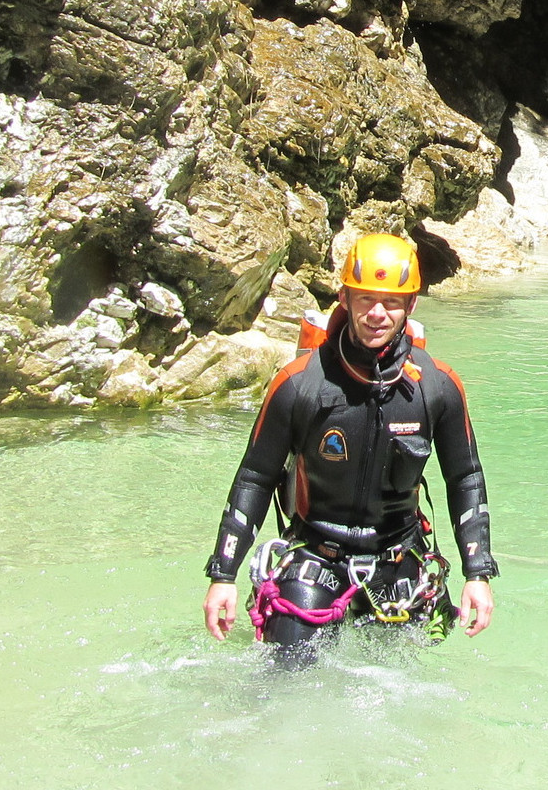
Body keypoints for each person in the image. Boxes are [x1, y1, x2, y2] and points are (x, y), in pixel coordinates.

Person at [203, 233, 498, 654]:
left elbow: (465, 477)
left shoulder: (437, 386)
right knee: (286, 679)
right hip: (315, 554)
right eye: (365, 299)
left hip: (399, 559)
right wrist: (223, 575)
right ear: (344, 297)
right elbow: (256, 476)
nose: (377, 314)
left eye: (392, 301)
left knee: (398, 694)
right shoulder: (299, 383)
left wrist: (477, 573)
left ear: (411, 305)